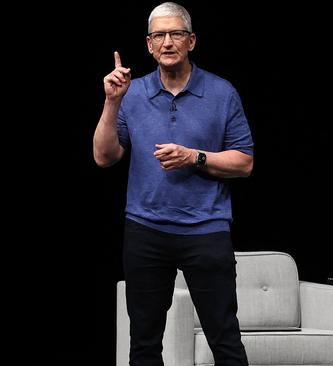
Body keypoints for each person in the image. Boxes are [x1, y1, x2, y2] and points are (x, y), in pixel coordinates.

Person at [92, 2, 252, 365]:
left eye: (176, 34)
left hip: (206, 231)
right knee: (144, 345)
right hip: (146, 231)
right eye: (158, 35)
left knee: (225, 340)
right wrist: (111, 102)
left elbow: (244, 163)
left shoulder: (222, 92)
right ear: (149, 45)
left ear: (191, 41)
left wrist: (194, 156)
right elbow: (104, 157)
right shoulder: (130, 92)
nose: (167, 42)